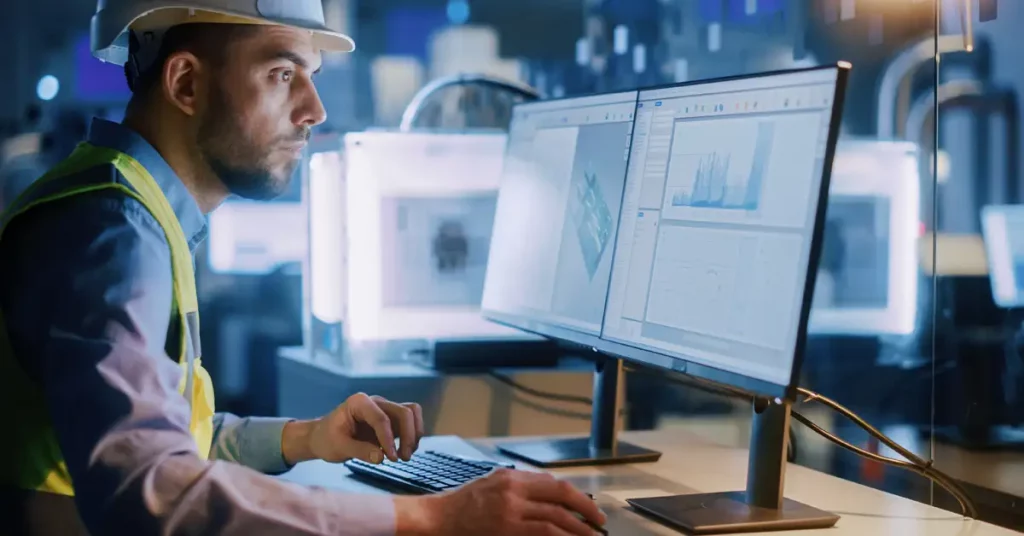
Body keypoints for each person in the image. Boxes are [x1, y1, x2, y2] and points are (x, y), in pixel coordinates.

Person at [0, 2, 605, 535]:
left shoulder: (132, 209)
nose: (314, 109)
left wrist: (308, 438)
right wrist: (431, 517)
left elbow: (161, 436)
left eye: (309, 77)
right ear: (185, 83)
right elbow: (147, 489)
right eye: (281, 74)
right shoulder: (114, 231)